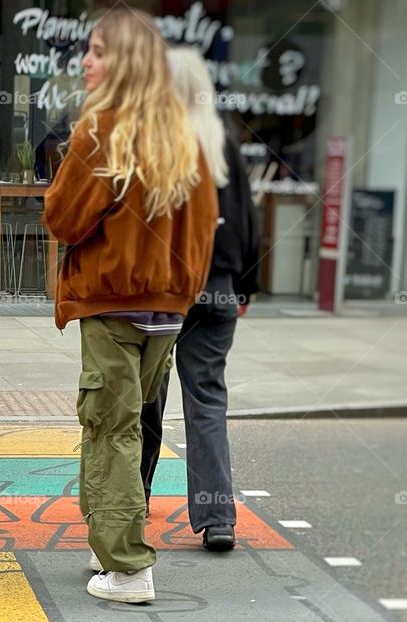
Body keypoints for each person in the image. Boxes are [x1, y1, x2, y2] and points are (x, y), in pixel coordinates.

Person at [44, 9, 218, 604]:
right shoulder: (182, 131)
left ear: (126, 62)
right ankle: (108, 543)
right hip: (166, 307)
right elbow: (202, 230)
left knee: (109, 426)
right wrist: (183, 290)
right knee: (129, 424)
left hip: (113, 299)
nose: (86, 62)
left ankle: (126, 567)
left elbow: (62, 218)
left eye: (97, 51)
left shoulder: (104, 130)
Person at [140, 45, 261, 552]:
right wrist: (245, 285)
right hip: (219, 288)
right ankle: (218, 518)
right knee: (207, 398)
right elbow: (246, 217)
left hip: (168, 287)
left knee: (146, 399)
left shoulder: (156, 141)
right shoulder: (221, 138)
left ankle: (131, 504)